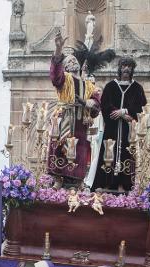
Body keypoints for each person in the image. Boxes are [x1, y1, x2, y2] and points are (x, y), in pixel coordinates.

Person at [48, 31, 101, 188]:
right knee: (59, 145)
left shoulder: (89, 85)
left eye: (74, 60)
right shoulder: (64, 80)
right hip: (64, 118)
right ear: (64, 67)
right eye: (68, 62)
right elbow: (55, 76)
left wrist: (88, 103)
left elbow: (97, 104)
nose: (72, 62)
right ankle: (58, 178)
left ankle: (78, 181)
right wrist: (58, 50)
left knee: (80, 149)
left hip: (80, 122)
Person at [92, 56, 147, 192]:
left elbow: (139, 108)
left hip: (128, 131)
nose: (126, 69)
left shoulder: (137, 88)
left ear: (132, 69)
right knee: (108, 151)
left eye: (129, 66)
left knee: (127, 154)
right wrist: (118, 114)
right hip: (112, 128)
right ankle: (105, 184)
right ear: (120, 68)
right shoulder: (111, 86)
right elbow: (105, 105)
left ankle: (124, 185)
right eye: (124, 66)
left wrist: (124, 111)